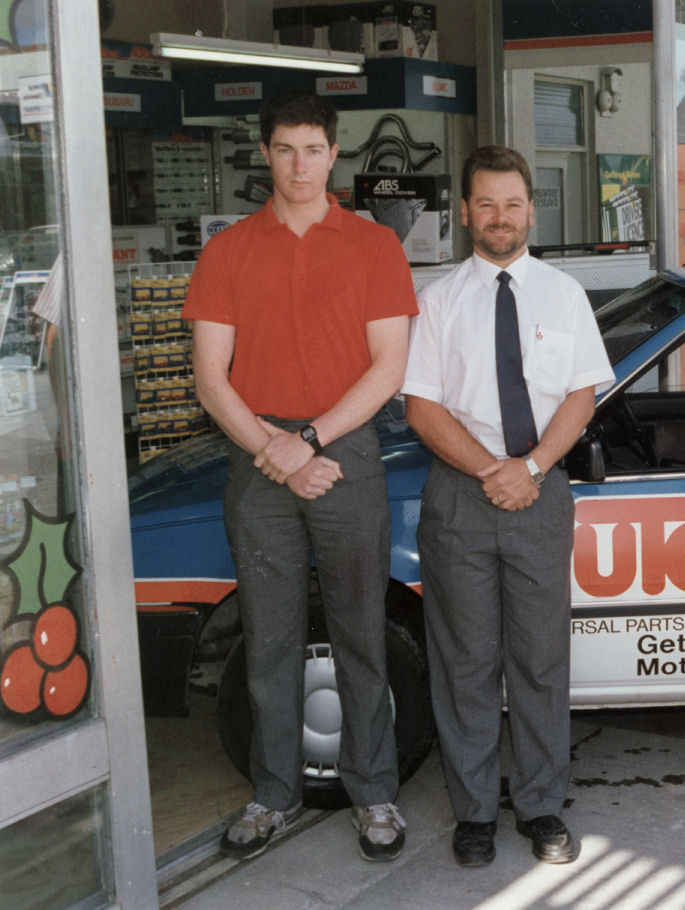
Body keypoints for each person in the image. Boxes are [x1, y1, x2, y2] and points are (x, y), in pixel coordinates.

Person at [185, 88, 418, 863]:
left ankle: (374, 793)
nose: (300, 165)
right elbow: (211, 377)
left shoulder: (373, 246)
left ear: (333, 154)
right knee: (272, 638)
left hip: (344, 452)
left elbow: (389, 367)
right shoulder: (228, 251)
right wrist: (275, 450)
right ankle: (273, 794)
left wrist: (309, 440)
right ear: (265, 154)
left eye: (313, 149)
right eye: (284, 149)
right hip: (257, 459)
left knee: (359, 633)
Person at [401, 145, 613, 867]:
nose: (500, 217)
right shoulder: (435, 300)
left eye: (512, 203)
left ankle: (541, 807)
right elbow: (422, 407)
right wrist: (495, 470)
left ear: (531, 208)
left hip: (540, 490)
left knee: (539, 659)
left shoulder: (563, 294)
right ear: (464, 213)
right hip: (460, 495)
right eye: (485, 203)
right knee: (463, 661)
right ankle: (472, 813)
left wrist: (529, 468)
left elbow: (581, 395)